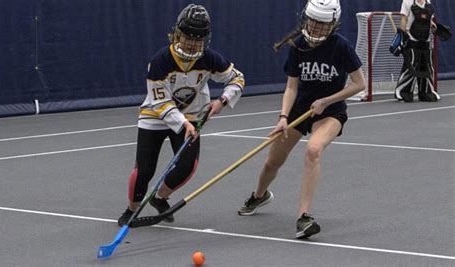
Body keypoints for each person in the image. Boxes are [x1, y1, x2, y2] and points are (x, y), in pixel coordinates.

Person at [237, 0, 365, 239]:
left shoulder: (341, 47)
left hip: (330, 112)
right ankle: (259, 195)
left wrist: (327, 100)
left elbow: (360, 84)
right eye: (312, 21)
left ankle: (304, 217)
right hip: (299, 111)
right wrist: (283, 117)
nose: (315, 28)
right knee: (272, 162)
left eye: (322, 24)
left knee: (313, 150)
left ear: (333, 24)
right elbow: (291, 87)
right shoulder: (298, 46)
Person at [118, 4, 245, 227]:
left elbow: (237, 79)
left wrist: (222, 100)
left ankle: (160, 198)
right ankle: (131, 210)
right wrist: (183, 123)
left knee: (188, 166)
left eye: (197, 40)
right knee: (145, 169)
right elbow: (160, 102)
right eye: (187, 37)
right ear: (176, 33)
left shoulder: (210, 59)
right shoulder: (160, 61)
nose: (191, 44)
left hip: (193, 116)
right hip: (155, 117)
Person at [394, 0, 439, 102]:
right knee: (411, 67)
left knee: (426, 67)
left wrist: (435, 27)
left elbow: (429, 20)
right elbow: (404, 19)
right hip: (412, 40)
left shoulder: (428, 2)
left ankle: (426, 92)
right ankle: (403, 92)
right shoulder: (407, 2)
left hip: (425, 41)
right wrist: (402, 36)